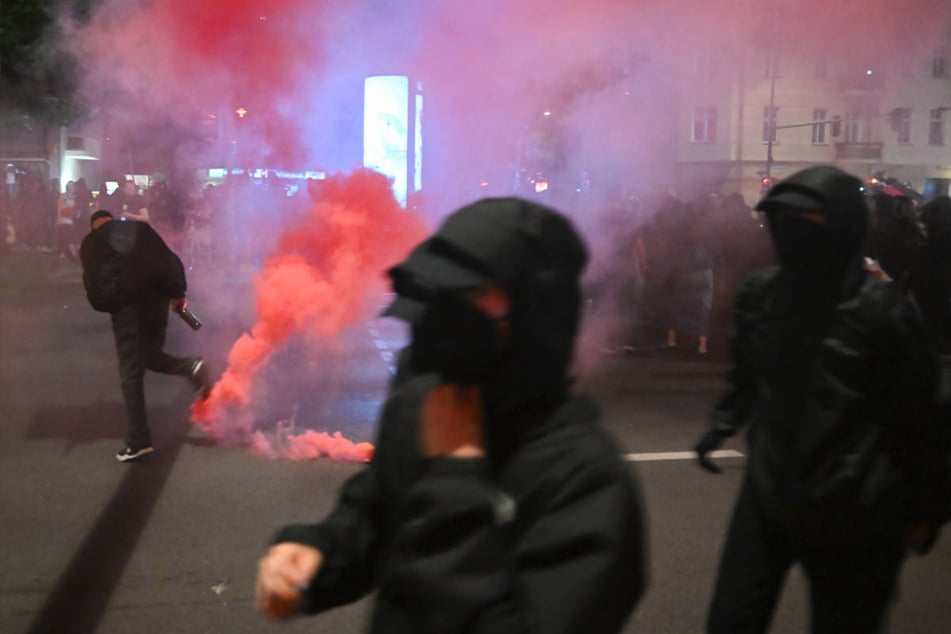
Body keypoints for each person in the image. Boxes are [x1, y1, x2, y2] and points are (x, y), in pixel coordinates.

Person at [255, 198, 647, 632]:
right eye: (442, 294)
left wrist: (454, 484)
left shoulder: (586, 480)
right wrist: (321, 554)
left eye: (474, 297)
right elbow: (380, 508)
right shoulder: (426, 396)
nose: (447, 318)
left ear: (532, 313)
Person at [693, 166, 950, 633]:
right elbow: (750, 370)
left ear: (846, 229)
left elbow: (923, 419)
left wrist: (925, 508)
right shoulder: (762, 294)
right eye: (783, 222)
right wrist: (725, 418)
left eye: (809, 224)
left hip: (856, 512)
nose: (793, 236)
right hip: (769, 492)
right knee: (731, 621)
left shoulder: (883, 313)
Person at [79, 210, 211, 461]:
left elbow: (95, 285)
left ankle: (139, 440)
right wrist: (177, 292)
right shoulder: (140, 230)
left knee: (131, 372)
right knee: (149, 354)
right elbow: (169, 259)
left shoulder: (93, 241)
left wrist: (112, 303)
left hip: (129, 307)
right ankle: (191, 367)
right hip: (157, 301)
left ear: (93, 225)